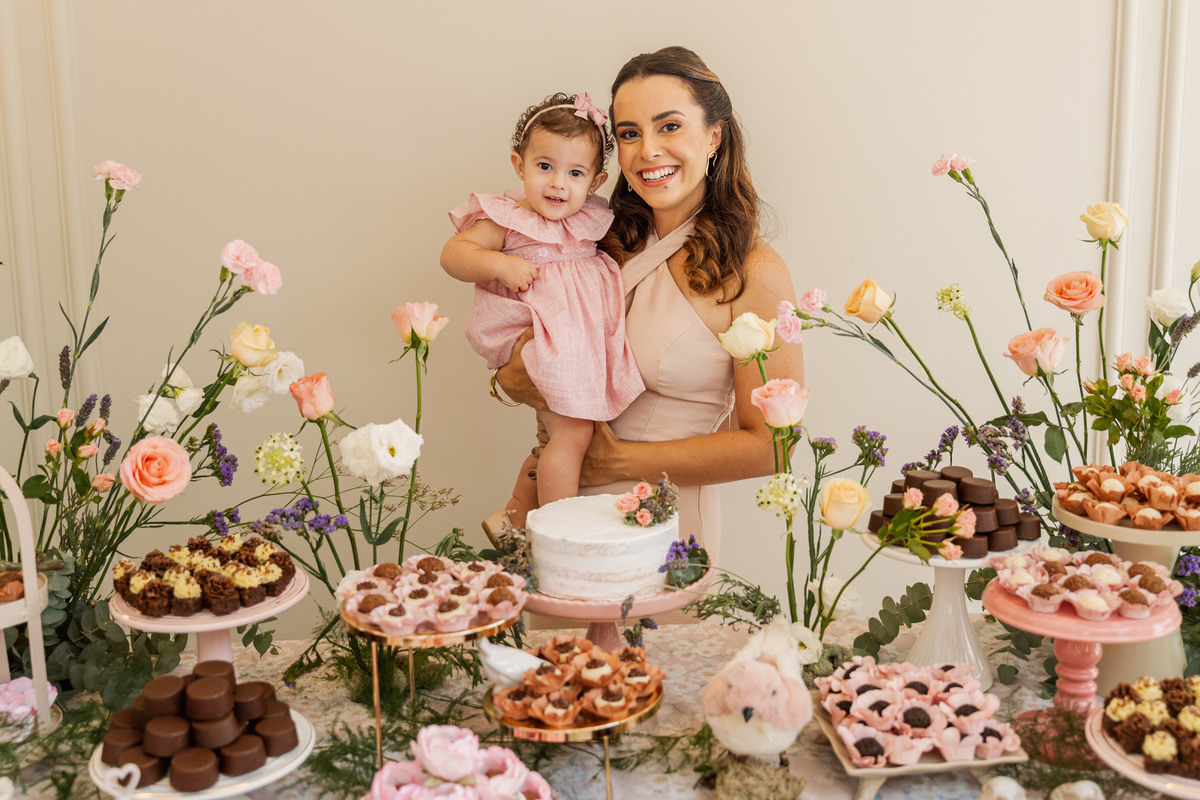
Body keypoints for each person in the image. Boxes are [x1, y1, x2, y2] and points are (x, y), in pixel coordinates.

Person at [494, 46, 804, 565]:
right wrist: (507, 377)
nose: (647, 151)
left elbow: (774, 445)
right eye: (631, 133)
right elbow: (516, 344)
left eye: (669, 127)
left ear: (714, 137)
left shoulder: (755, 270)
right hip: (554, 509)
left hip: (663, 521)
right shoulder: (590, 241)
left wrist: (620, 460)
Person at [442, 92, 645, 523]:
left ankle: (518, 514)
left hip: (580, 344)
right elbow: (454, 254)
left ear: (595, 182)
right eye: (544, 166)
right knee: (572, 435)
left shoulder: (590, 218)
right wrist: (499, 263)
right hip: (544, 337)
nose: (557, 183)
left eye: (574, 173)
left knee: (564, 434)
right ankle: (559, 525)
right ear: (520, 166)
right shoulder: (508, 218)